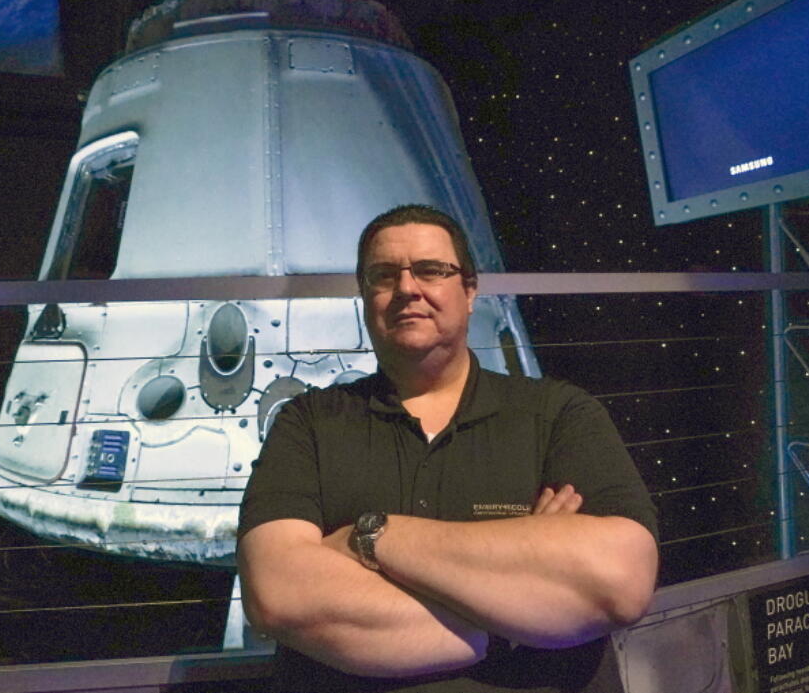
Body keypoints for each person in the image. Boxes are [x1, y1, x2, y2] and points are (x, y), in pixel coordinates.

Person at [237, 204, 659, 692]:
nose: (407, 288)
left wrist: (373, 537)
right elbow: (279, 594)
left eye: (431, 270)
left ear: (470, 289)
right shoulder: (308, 423)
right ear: (365, 294)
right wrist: (518, 607)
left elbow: (620, 585)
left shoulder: (559, 415)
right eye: (384, 275)